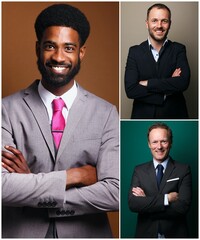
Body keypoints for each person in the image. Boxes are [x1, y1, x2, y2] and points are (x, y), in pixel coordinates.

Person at [2, 4, 119, 238]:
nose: (58, 57)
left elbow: (114, 193)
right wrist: (75, 176)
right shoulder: (5, 109)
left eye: (68, 48)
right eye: (50, 46)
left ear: (81, 52)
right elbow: (3, 188)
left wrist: (32, 184)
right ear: (38, 48)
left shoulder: (106, 113)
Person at [124, 3, 190, 119]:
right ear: (147, 23)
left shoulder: (179, 49)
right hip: (142, 117)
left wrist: (148, 83)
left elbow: (183, 82)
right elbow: (131, 90)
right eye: (154, 20)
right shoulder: (134, 52)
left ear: (169, 24)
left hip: (175, 116)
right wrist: (166, 92)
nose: (159, 25)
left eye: (164, 21)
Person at [128, 122, 192, 238]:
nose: (159, 146)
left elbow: (183, 207)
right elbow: (133, 204)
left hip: (176, 234)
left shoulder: (184, 169)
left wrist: (147, 205)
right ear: (149, 144)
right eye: (155, 142)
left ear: (171, 143)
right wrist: (166, 199)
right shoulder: (139, 171)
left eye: (164, 141)